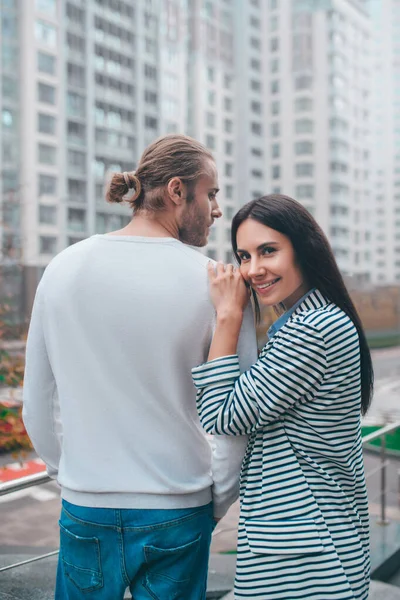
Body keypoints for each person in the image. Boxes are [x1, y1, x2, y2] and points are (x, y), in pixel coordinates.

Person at [22, 134, 257, 600]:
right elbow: (236, 414)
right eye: (210, 194)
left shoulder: (63, 267)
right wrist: (219, 497)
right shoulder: (219, 284)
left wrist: (70, 476)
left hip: (86, 502)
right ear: (176, 190)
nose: (216, 210)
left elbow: (37, 403)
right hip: (180, 504)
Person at [192, 194, 373, 600]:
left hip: (306, 550)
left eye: (268, 251)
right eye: (244, 255)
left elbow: (222, 416)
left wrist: (228, 316)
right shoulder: (312, 318)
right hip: (314, 538)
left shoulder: (313, 329)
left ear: (303, 249)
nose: (254, 269)